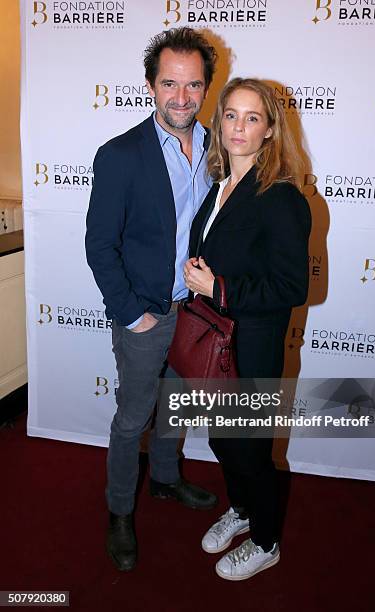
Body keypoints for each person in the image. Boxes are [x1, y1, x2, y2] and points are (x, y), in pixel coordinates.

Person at [85, 27, 218, 572]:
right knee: (132, 417)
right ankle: (119, 512)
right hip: (146, 313)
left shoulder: (220, 148)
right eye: (170, 83)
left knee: (175, 407)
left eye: (193, 85)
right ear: (150, 86)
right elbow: (99, 244)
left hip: (196, 311)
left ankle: (165, 480)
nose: (181, 97)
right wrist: (131, 314)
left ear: (206, 87)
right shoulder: (119, 155)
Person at [184, 78, 311, 580]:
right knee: (221, 439)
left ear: (269, 130)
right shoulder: (218, 187)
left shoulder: (281, 197)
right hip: (214, 344)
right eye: (231, 115)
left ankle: (266, 540)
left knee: (251, 449)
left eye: (252, 117)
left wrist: (221, 288)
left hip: (252, 348)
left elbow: (292, 286)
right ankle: (241, 509)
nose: (239, 126)